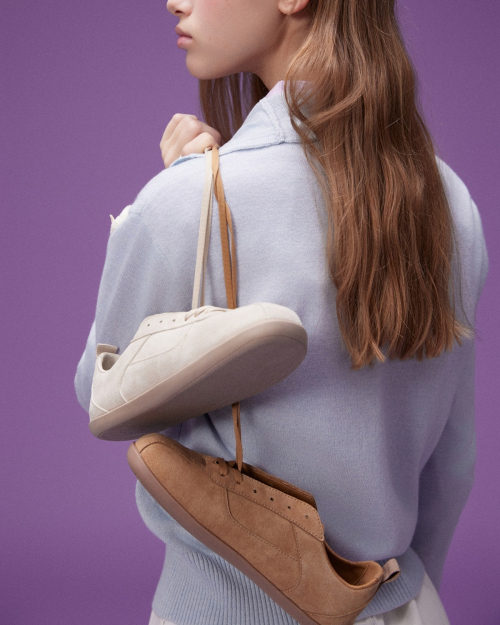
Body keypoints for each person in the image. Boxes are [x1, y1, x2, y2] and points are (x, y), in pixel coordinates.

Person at [74, 0, 489, 623]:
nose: (174, 1)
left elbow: (100, 394)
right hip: (404, 604)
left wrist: (165, 196)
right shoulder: (448, 200)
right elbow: (453, 462)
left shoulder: (191, 198)